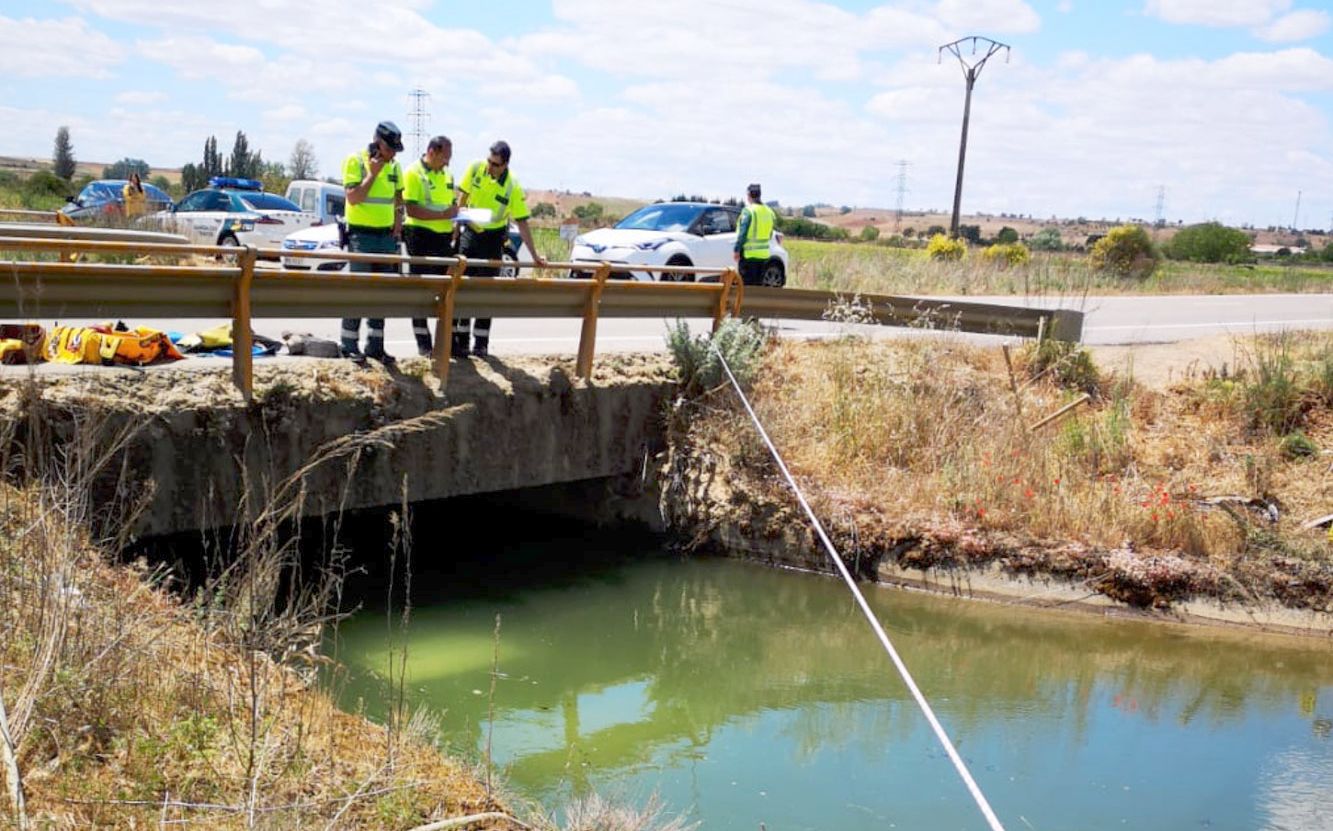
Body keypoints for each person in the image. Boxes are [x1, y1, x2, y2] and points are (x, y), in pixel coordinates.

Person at [453, 140, 546, 358]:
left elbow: (522, 222)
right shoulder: (476, 168)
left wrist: (534, 255)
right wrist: (455, 230)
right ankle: (461, 342)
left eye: (495, 164)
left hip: (493, 240)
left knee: (486, 292)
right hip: (470, 234)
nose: (490, 166)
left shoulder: (512, 185)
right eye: (489, 161)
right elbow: (462, 199)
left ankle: (481, 343)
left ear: (505, 165)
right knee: (464, 288)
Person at [340, 121, 405, 366]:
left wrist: (398, 221)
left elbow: (398, 196)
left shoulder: (394, 165)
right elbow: (354, 197)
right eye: (389, 149)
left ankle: (375, 346)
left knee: (381, 294)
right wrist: (372, 173)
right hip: (361, 236)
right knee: (359, 291)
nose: (392, 155)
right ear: (377, 143)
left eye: (395, 150)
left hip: (386, 237)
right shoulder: (355, 161)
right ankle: (348, 345)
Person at [402, 135, 459, 357]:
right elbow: (412, 209)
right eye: (444, 158)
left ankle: (445, 343)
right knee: (421, 291)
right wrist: (443, 215)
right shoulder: (413, 173)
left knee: (446, 289)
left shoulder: (447, 174)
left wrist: (455, 216)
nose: (447, 163)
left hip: (443, 238)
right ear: (432, 152)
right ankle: (423, 344)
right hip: (420, 236)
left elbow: (450, 204)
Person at [734, 183, 776, 286]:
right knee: (758, 286)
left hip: (749, 255)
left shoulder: (749, 211)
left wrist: (737, 249)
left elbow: (742, 233)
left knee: (746, 286)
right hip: (764, 255)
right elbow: (770, 234)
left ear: (749, 195)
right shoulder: (769, 212)